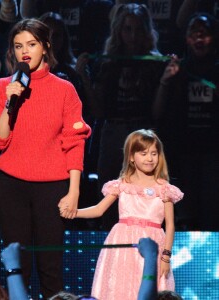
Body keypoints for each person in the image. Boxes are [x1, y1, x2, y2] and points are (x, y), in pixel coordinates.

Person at [0, 18, 91, 299]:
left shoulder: (64, 89)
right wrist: (10, 102)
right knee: (17, 267)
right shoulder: (0, 88)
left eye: (31, 44)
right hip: (12, 187)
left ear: (46, 46)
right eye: (18, 46)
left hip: (53, 188)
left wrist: (74, 191)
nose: (25, 52)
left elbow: (75, 142)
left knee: (50, 268)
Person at [60, 129, 183, 300]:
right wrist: (74, 213)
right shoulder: (121, 185)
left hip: (152, 243)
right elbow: (98, 209)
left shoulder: (164, 188)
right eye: (144, 153)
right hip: (123, 243)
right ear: (132, 156)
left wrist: (166, 257)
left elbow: (169, 225)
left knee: (150, 284)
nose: (150, 158)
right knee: (120, 287)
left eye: (154, 153)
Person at [77, 3, 166, 230]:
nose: (133, 36)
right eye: (128, 29)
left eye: (138, 30)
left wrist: (166, 79)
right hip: (114, 132)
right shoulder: (108, 63)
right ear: (119, 31)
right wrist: (84, 78)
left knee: (145, 199)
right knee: (109, 196)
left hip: (143, 133)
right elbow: (98, 111)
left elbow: (157, 112)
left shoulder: (155, 64)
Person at [153, 13, 219, 231]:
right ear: (186, 39)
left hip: (213, 151)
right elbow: (160, 113)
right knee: (187, 214)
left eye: (205, 34)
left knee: (211, 213)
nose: (199, 39)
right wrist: (169, 80)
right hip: (185, 152)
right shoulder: (179, 68)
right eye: (194, 33)